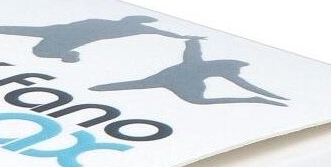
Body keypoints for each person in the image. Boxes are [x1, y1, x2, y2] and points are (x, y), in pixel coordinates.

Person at [93, 36, 287, 106]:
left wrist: (192, 40)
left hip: (179, 79)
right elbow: (247, 86)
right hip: (176, 79)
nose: (237, 70)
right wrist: (192, 41)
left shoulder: (199, 63)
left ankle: (98, 88)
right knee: (197, 101)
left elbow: (193, 48)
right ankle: (98, 88)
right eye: (237, 66)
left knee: (141, 84)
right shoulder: (214, 67)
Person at [0, 14, 182, 63]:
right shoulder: (133, 28)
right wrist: (182, 37)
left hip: (66, 35)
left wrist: (182, 36)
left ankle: (62, 54)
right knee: (30, 35)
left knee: (37, 42)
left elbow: (160, 32)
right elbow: (159, 32)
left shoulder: (135, 28)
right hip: (65, 33)